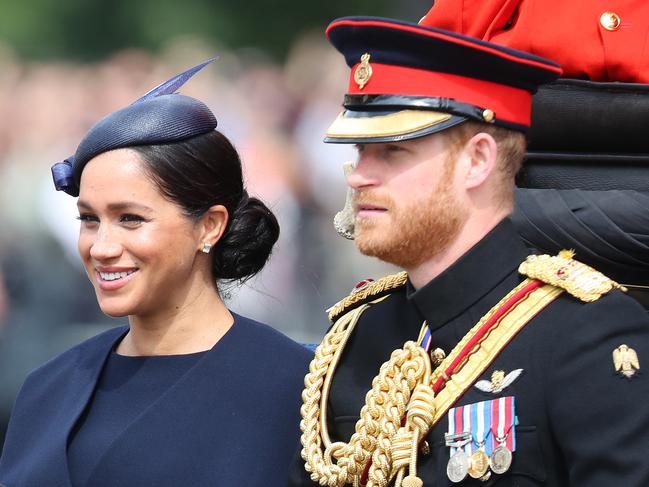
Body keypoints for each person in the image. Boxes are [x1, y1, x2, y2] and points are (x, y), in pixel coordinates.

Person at [289, 15, 649, 487]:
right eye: (360, 150)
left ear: (477, 160)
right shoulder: (355, 338)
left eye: (392, 151)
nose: (358, 175)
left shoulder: (590, 337)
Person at [0, 61, 312, 487]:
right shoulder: (47, 387)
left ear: (209, 225)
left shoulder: (297, 389)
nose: (101, 247)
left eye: (130, 219)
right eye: (89, 220)